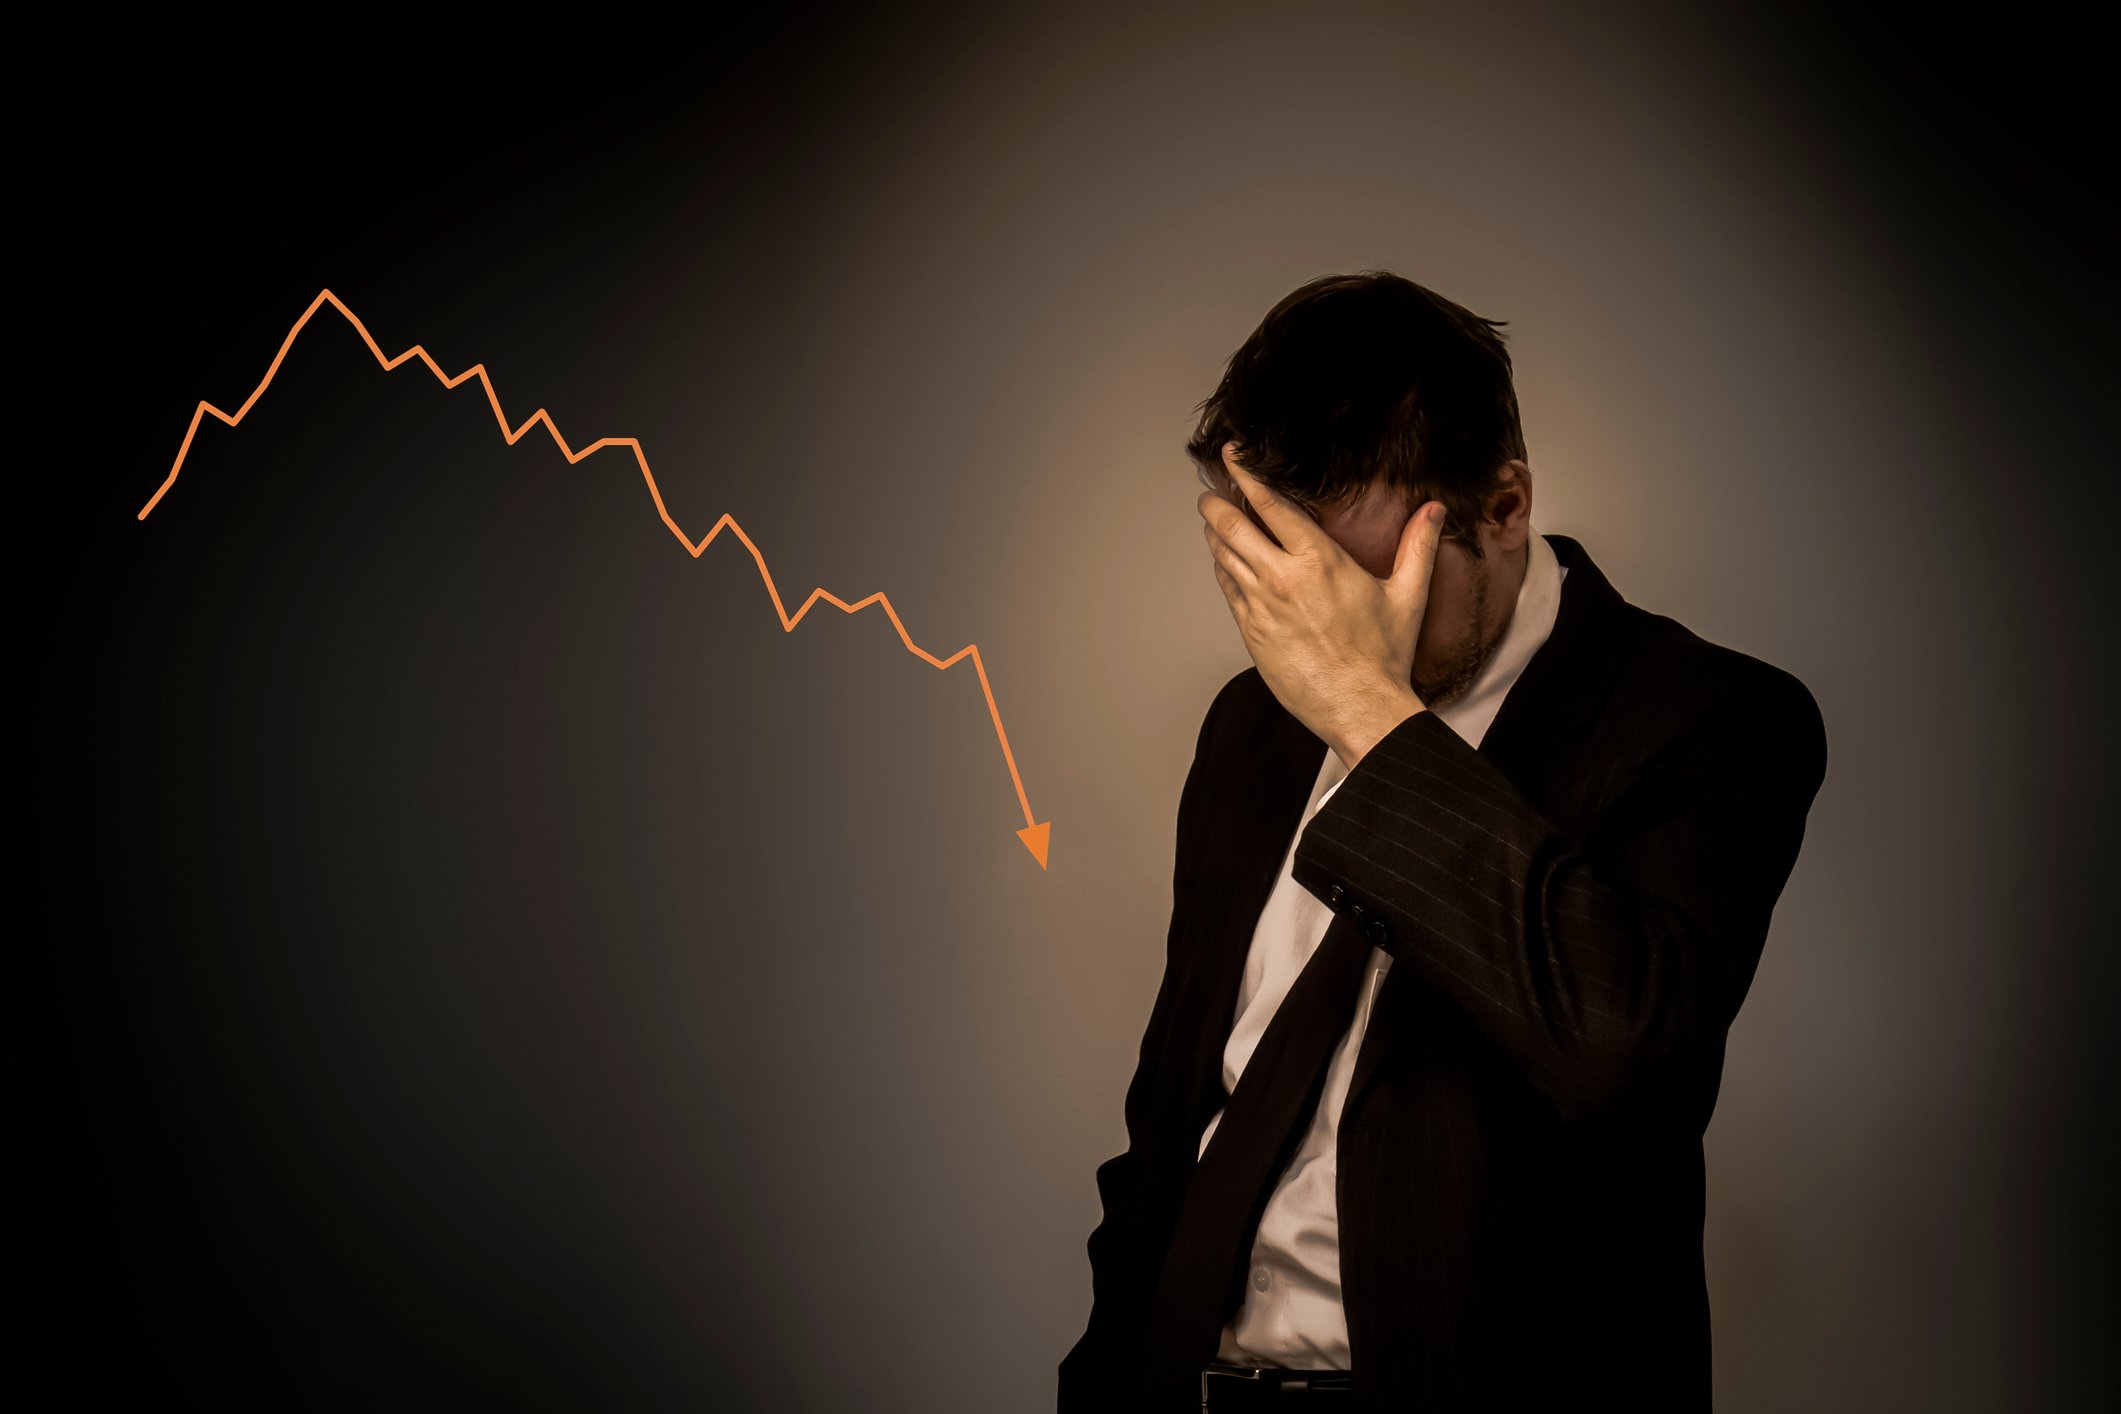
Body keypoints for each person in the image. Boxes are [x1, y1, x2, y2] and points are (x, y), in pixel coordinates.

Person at [1057, 271, 1829, 1411]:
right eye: (1289, 578)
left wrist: (1373, 719)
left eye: (1364, 581)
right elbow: (1176, 1106)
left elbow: (1617, 1053)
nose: (1327, 630)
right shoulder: (1249, 726)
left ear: (1504, 506)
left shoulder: (1710, 720)